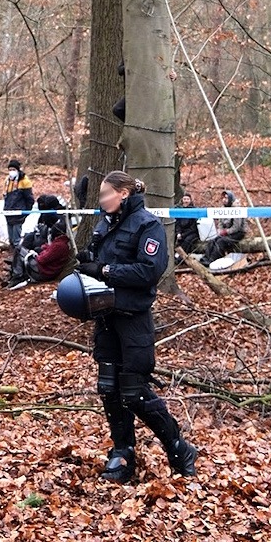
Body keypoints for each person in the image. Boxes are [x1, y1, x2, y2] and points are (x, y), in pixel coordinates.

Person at [75, 171, 197, 483]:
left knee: (134, 390)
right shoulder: (106, 224)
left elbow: (148, 271)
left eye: (106, 195)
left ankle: (178, 447)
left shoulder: (148, 224)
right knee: (109, 387)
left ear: (124, 193)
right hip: (105, 316)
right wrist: (88, 260)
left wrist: (104, 269)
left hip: (134, 318)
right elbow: (97, 260)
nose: (101, 201)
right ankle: (122, 453)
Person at [9, 216, 71, 288]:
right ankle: (16, 271)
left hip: (43, 272)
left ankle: (17, 277)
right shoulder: (60, 243)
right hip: (45, 269)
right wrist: (41, 250)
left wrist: (37, 253)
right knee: (28, 250)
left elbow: (41, 259)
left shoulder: (59, 245)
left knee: (19, 250)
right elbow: (47, 248)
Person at [202, 188, 247, 264]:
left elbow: (237, 227)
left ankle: (212, 259)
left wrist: (226, 232)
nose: (224, 200)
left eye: (226, 198)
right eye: (223, 198)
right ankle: (206, 257)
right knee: (213, 240)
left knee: (221, 242)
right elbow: (220, 222)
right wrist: (220, 230)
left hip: (238, 233)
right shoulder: (222, 209)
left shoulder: (236, 209)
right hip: (226, 232)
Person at [3, 161, 34, 249]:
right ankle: (12, 254)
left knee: (17, 240)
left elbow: (30, 199)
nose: (11, 171)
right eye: (10, 170)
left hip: (18, 213)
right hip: (8, 212)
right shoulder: (7, 180)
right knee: (11, 240)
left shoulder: (24, 181)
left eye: (13, 169)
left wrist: (26, 212)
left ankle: (17, 256)